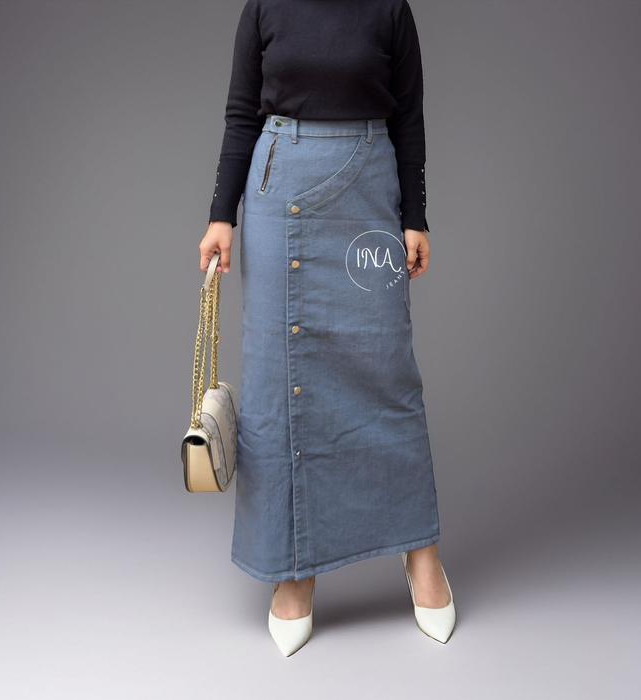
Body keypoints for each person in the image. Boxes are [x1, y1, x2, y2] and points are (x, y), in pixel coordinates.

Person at [198, 0, 456, 656]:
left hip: (368, 197)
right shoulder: (265, 5)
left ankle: (420, 552)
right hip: (277, 191)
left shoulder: (389, 8)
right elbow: (240, 113)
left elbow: (409, 115)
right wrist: (222, 215)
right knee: (279, 381)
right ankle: (293, 569)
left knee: (387, 370)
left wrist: (415, 217)